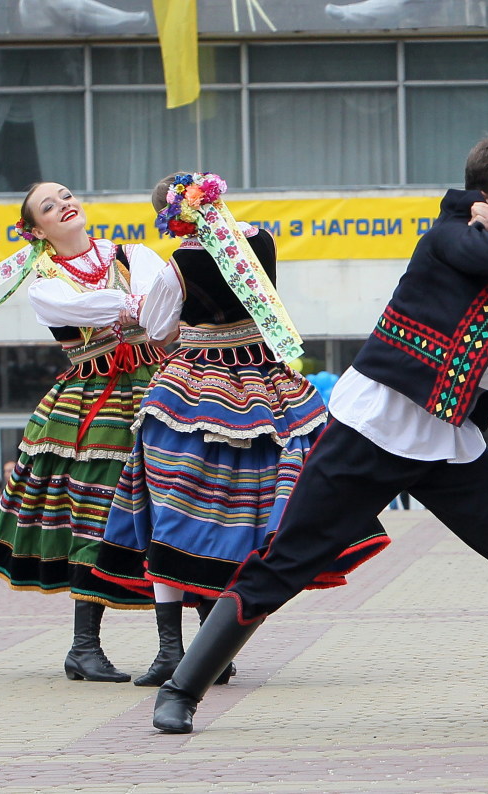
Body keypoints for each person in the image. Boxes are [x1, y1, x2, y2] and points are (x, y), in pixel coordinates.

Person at [151, 137, 488, 734]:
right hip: (373, 426)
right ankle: (181, 690)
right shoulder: (448, 238)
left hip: (449, 440)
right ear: (485, 199)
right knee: (285, 563)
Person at [92, 171, 389, 688]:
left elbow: (159, 329)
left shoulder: (181, 262)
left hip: (193, 390)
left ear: (174, 215)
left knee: (172, 510)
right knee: (239, 515)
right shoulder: (262, 240)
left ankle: (172, 651)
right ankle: (218, 648)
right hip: (265, 386)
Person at [0, 181, 172, 682]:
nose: (64, 204)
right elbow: (94, 309)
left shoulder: (132, 253)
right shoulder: (44, 280)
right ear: (36, 229)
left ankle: (186, 648)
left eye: (65, 196)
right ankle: (84, 646)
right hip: (92, 399)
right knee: (96, 513)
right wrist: (134, 307)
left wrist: (140, 307)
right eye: (49, 206)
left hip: (158, 383)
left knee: (178, 504)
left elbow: (159, 304)